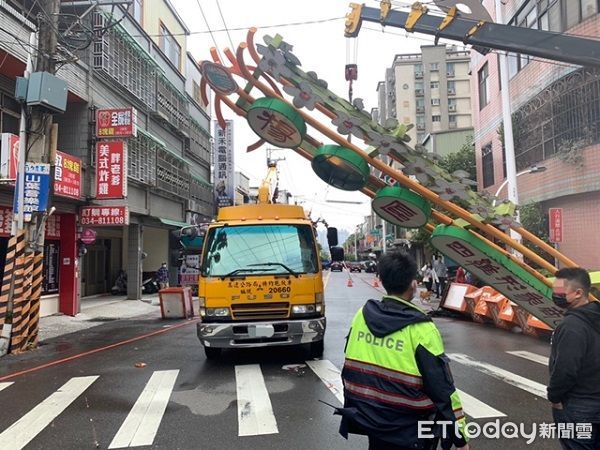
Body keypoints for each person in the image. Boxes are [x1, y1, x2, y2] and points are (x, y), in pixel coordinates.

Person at [337, 251, 469, 450]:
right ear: (413, 284)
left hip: (372, 421)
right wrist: (460, 438)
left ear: (382, 281)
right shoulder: (421, 329)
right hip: (412, 430)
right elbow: (443, 390)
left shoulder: (361, 316)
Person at [548, 267, 600, 449]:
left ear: (578, 293)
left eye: (560, 291)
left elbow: (565, 369)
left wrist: (554, 397)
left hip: (577, 407)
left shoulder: (571, 326)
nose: (555, 294)